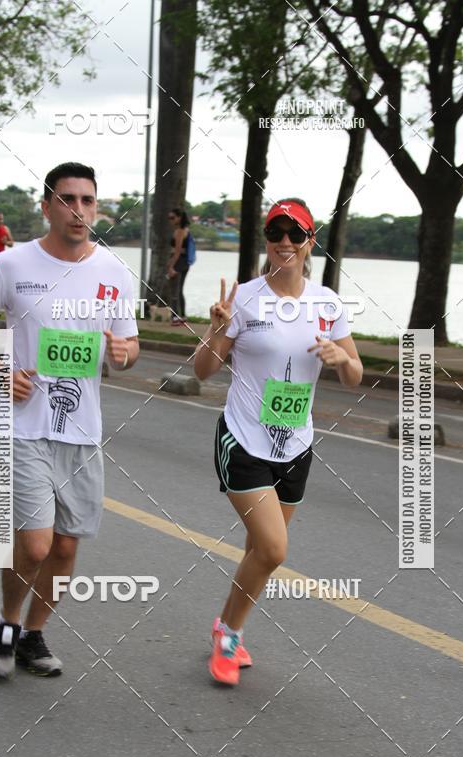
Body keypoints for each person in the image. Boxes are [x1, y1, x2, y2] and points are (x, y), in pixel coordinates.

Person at [0, 161, 140, 679]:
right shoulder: (12, 265)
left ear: (96, 208)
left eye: (87, 200)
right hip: (24, 426)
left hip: (82, 430)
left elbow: (127, 350)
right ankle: (7, 622)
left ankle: (34, 635)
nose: (78, 209)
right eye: (67, 199)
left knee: (64, 546)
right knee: (35, 543)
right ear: (47, 206)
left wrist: (126, 352)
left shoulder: (113, 272)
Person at [194, 197, 363, 686]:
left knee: (257, 550)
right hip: (243, 440)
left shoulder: (327, 303)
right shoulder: (244, 298)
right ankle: (228, 636)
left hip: (295, 446)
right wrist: (215, 330)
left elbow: (355, 376)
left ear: (312, 242)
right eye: (275, 233)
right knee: (272, 550)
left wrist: (340, 357)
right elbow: (203, 372)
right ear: (267, 240)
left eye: (296, 234)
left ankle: (226, 626)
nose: (284, 243)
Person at [167, 207, 191, 325]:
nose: (170, 220)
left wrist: (171, 266)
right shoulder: (185, 230)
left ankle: (175, 317)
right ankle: (182, 315)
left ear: (179, 218)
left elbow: (177, 251)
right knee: (179, 290)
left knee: (174, 290)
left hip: (179, 262)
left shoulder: (180, 231)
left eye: (172, 217)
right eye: (169, 218)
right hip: (184, 262)